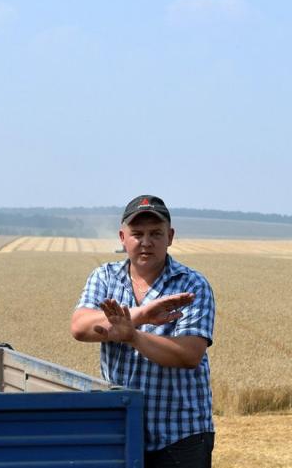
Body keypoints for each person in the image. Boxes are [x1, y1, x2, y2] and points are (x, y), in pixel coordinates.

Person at [70, 195, 215, 468]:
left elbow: (188, 354)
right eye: (137, 234)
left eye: (155, 233)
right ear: (123, 237)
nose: (146, 242)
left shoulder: (193, 285)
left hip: (180, 435)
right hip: (121, 429)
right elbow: (79, 326)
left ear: (170, 237)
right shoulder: (104, 277)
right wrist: (140, 316)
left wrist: (132, 335)